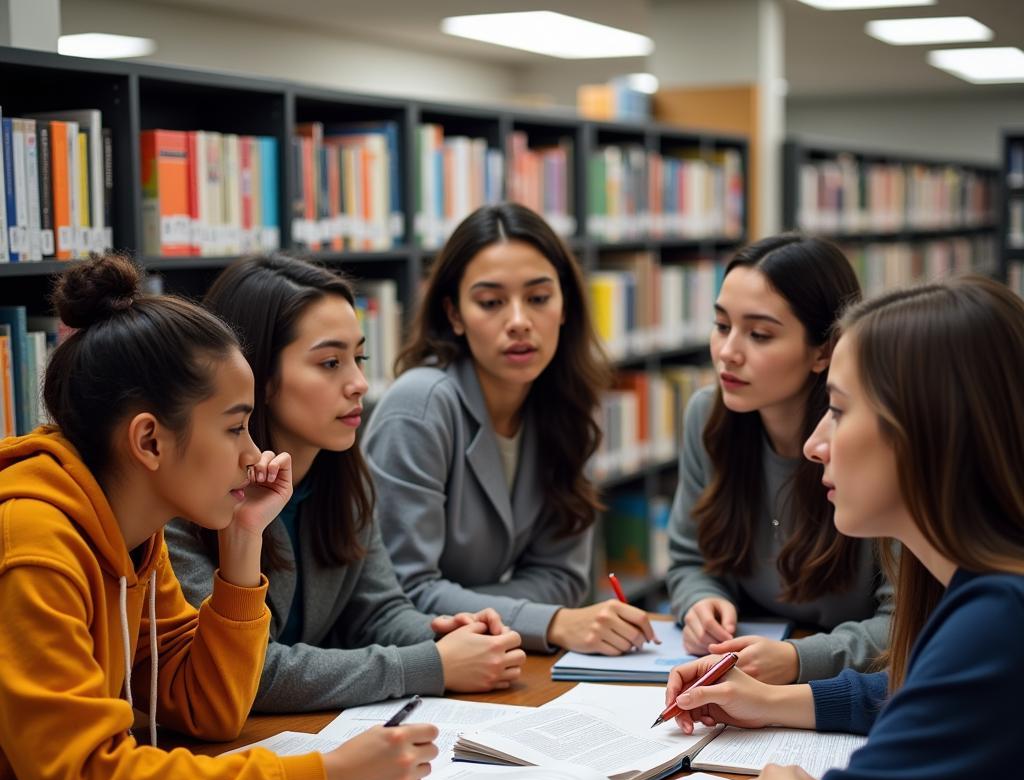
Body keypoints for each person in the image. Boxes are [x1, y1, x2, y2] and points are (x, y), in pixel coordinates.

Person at [666, 275, 1024, 780]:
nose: (812, 443)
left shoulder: (1001, 626)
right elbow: (915, 699)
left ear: (928, 428)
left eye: (837, 409)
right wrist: (773, 700)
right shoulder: (990, 595)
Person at [0, 254, 437, 780]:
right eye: (235, 428)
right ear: (150, 440)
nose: (255, 456)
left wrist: (241, 543)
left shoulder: (135, 532)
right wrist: (321, 778)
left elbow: (208, 711)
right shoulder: (35, 542)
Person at [167, 253, 524, 710]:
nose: (358, 383)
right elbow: (248, 671)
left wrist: (451, 635)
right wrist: (428, 664)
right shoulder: (185, 504)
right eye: (331, 363)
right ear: (256, 376)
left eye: (359, 357)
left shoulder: (343, 479)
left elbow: (377, 610)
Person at [364, 202, 654, 654]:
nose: (519, 321)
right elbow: (403, 594)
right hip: (420, 663)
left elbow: (564, 578)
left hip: (494, 654)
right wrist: (552, 622)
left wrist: (479, 605)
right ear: (455, 314)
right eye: (491, 302)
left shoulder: (565, 403)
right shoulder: (418, 406)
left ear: (564, 308)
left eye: (538, 298)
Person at [666, 233, 892, 684]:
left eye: (759, 334)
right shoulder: (707, 419)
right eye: (721, 325)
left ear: (823, 352)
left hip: (840, 687)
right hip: (740, 674)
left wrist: (797, 658)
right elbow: (689, 560)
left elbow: (907, 618)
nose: (728, 352)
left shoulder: (877, 441)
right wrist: (700, 601)